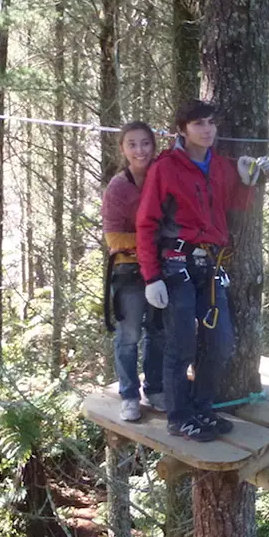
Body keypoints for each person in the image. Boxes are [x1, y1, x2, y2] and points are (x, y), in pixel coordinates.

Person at [135, 100, 269, 442]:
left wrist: (249, 182)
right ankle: (179, 417)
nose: (207, 129)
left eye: (211, 122)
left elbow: (233, 211)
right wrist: (151, 276)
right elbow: (146, 222)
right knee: (181, 344)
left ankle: (202, 409)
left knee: (220, 342)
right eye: (198, 124)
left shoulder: (222, 167)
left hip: (208, 266)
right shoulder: (165, 168)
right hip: (176, 264)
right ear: (182, 130)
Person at [102, 121, 165, 422]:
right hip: (129, 269)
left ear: (154, 146)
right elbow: (114, 239)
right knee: (129, 335)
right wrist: (150, 244)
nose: (140, 150)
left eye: (146, 143)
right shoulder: (118, 188)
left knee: (158, 331)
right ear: (123, 149)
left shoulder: (163, 177)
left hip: (163, 267)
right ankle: (129, 394)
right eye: (132, 144)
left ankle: (155, 388)